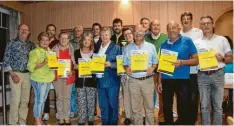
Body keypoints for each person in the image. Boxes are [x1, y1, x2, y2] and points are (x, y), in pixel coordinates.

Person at [157, 20, 198, 125]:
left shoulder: (187, 41)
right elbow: (161, 64)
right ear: (167, 31)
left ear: (179, 29)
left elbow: (196, 60)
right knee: (166, 106)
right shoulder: (163, 44)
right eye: (169, 28)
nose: (171, 30)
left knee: (183, 105)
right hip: (166, 79)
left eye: (174, 27)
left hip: (182, 79)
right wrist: (159, 81)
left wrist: (182, 62)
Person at [197, 15, 233, 125]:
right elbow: (192, 59)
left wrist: (222, 58)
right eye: (203, 24)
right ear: (200, 26)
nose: (206, 25)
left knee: (218, 106)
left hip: (218, 75)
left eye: (208, 23)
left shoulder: (222, 40)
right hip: (202, 76)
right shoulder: (196, 42)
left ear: (213, 25)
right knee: (204, 106)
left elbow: (230, 58)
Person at [123, 24, 158, 125]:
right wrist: (127, 68)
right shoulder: (128, 48)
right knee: (135, 109)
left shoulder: (151, 47)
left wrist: (153, 68)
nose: (138, 33)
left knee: (150, 108)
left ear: (144, 33)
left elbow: (155, 62)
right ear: (133, 34)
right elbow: (125, 64)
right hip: (133, 81)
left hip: (147, 80)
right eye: (136, 31)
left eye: (140, 31)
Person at [3, 24, 35, 125]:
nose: (24, 31)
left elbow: (35, 60)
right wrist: (12, 74)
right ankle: (13, 123)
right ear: (18, 31)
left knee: (25, 101)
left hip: (28, 75)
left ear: (29, 32)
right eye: (22, 29)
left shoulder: (31, 45)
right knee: (15, 100)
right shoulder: (11, 43)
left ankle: (22, 121)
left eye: (26, 30)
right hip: (15, 74)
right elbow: (6, 60)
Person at [180, 11, 203, 124]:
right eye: (184, 19)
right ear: (181, 21)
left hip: (195, 70)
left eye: (188, 18)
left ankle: (192, 120)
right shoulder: (179, 34)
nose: (186, 20)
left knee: (193, 97)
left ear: (191, 20)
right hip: (182, 71)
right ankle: (183, 120)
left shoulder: (198, 32)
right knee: (182, 98)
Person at [95, 27, 121, 125]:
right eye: (102, 34)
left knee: (112, 103)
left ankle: (113, 122)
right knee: (103, 104)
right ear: (100, 35)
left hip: (111, 80)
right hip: (100, 79)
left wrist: (112, 64)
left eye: (106, 34)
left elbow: (121, 63)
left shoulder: (116, 47)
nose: (104, 36)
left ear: (110, 36)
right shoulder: (97, 46)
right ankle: (105, 122)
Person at [27, 32, 55, 125]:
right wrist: (44, 62)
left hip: (47, 79)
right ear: (39, 41)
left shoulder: (50, 51)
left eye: (47, 40)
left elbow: (52, 66)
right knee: (39, 101)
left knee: (42, 101)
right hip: (39, 79)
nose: (45, 42)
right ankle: (38, 122)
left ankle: (39, 120)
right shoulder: (35, 52)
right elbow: (30, 67)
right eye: (42, 40)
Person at [144, 19, 168, 125]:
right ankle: (150, 117)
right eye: (154, 25)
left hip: (162, 72)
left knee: (163, 95)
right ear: (150, 27)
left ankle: (162, 117)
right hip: (149, 72)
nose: (156, 27)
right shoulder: (146, 39)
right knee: (149, 95)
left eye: (158, 25)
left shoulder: (166, 38)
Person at [52, 32, 76, 125]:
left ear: (68, 40)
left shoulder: (72, 50)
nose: (63, 40)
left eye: (65, 38)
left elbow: (75, 65)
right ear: (59, 39)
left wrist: (72, 70)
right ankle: (61, 117)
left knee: (67, 98)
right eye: (61, 38)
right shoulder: (54, 49)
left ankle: (67, 117)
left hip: (69, 77)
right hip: (57, 76)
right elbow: (51, 64)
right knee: (59, 97)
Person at [74, 32, 97, 125]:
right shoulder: (76, 52)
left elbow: (97, 67)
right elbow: (73, 66)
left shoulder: (95, 53)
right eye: (85, 39)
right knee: (80, 102)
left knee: (91, 102)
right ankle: (81, 120)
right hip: (80, 81)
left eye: (89, 40)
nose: (86, 42)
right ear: (81, 41)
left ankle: (91, 120)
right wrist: (76, 67)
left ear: (91, 41)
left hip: (91, 81)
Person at [43, 23, 59, 121]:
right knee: (45, 93)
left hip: (55, 71)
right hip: (45, 71)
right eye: (49, 30)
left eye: (53, 30)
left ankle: (57, 112)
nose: (51, 32)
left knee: (57, 93)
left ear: (55, 32)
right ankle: (46, 113)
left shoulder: (58, 42)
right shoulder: (43, 42)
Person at [70, 25, 84, 117]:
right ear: (73, 32)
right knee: (73, 91)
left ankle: (81, 110)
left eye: (79, 31)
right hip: (72, 70)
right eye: (76, 31)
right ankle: (72, 110)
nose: (77, 32)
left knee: (81, 91)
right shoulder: (69, 43)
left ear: (82, 32)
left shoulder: (85, 42)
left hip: (83, 70)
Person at [121, 27, 134, 125]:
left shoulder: (138, 45)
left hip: (136, 75)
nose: (128, 36)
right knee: (126, 97)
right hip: (125, 76)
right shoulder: (123, 48)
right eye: (125, 35)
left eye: (129, 33)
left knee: (136, 97)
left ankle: (136, 116)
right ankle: (128, 117)